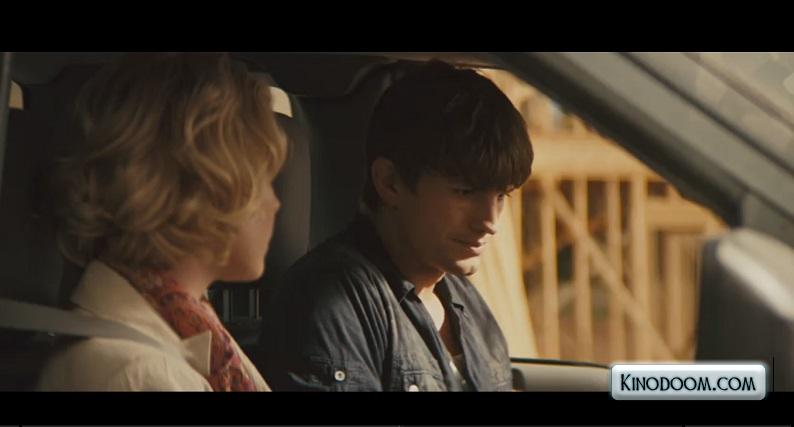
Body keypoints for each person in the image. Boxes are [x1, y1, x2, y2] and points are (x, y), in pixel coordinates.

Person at [259, 60, 533, 391]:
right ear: (390, 183)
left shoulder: (469, 308)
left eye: (501, 196)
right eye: (465, 192)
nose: (490, 222)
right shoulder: (331, 304)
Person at [37, 53, 286, 391]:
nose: (275, 203)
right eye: (264, 179)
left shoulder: (186, 326)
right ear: (202, 188)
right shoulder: (143, 375)